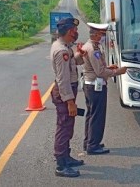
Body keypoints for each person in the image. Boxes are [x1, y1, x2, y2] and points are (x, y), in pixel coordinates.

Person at [82, 22, 127, 155]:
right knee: (97, 116)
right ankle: (93, 145)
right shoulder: (93, 49)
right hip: (95, 86)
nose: (103, 37)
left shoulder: (92, 46)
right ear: (95, 35)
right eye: (101, 34)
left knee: (91, 115)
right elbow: (99, 72)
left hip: (91, 85)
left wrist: (109, 67)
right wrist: (118, 72)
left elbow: (100, 68)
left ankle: (89, 141)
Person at [50, 17, 86, 178]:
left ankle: (66, 156)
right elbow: (63, 79)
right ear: (69, 31)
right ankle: (61, 164)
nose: (76, 33)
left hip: (67, 91)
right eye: (74, 31)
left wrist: (80, 55)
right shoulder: (62, 51)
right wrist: (70, 102)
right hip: (65, 93)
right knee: (64, 127)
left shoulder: (65, 47)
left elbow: (73, 63)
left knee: (68, 126)